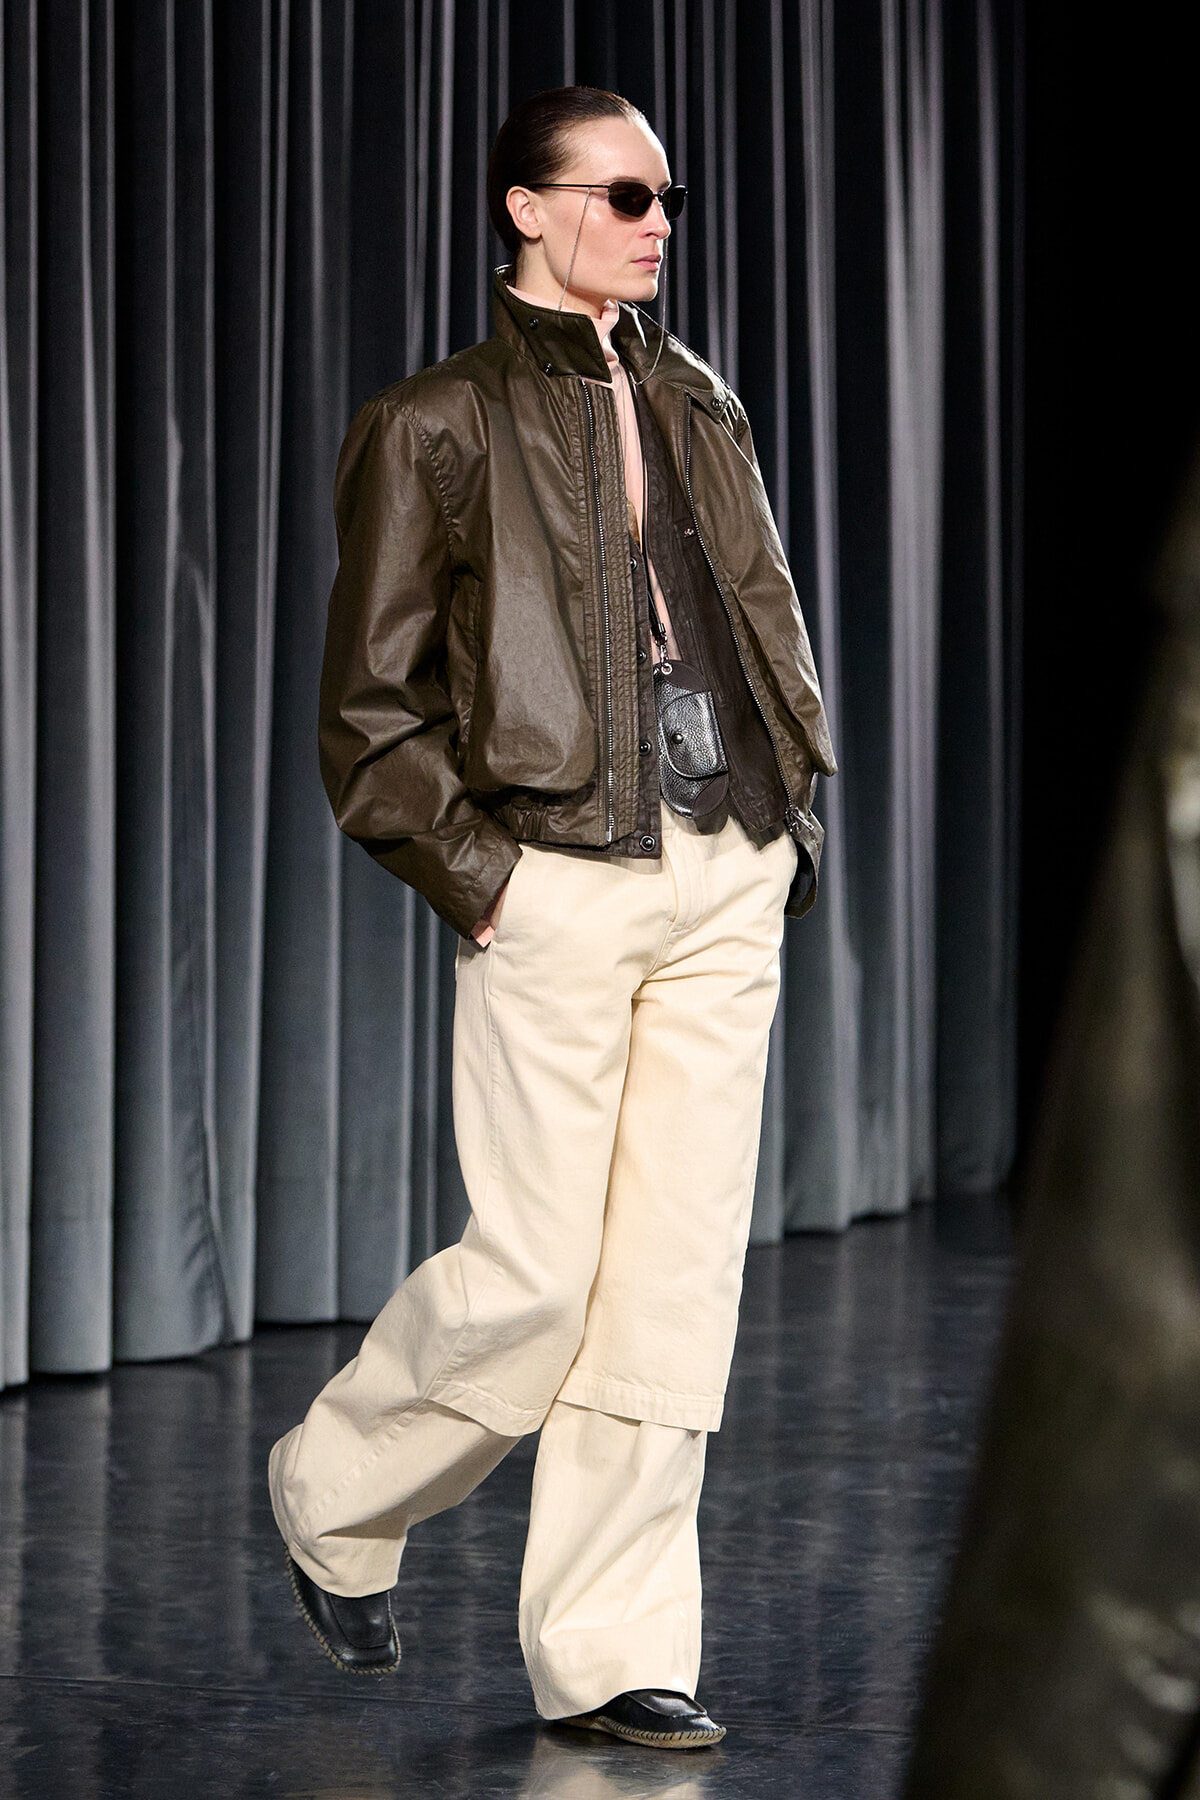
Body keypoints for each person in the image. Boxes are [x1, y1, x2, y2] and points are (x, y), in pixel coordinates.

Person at [268, 84, 835, 1752]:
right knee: (534, 1274)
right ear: (526, 207)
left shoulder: (701, 398)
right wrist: (487, 879)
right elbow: (368, 714)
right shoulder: (434, 422)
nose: (662, 219)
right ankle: (335, 1484)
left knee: (666, 1289)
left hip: (724, 867)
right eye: (629, 192)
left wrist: (791, 820)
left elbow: (763, 618)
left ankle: (608, 1650)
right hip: (558, 882)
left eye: (672, 196)